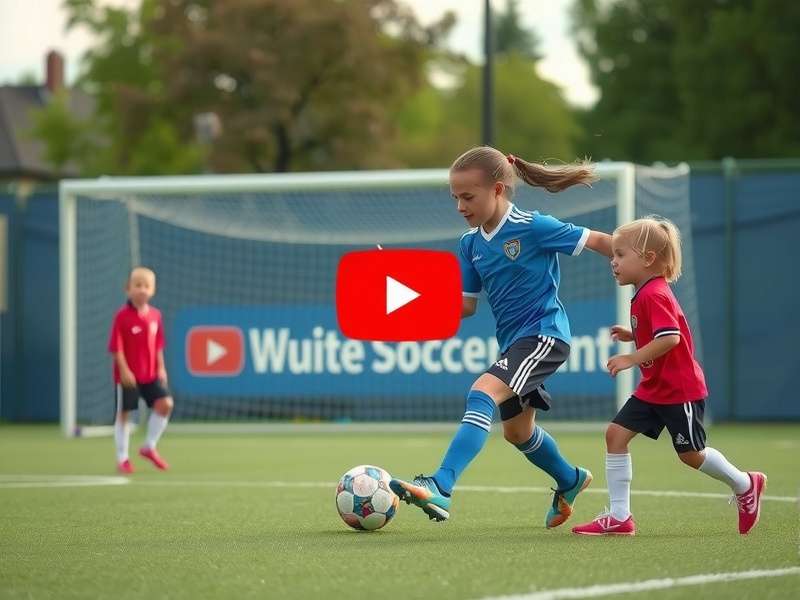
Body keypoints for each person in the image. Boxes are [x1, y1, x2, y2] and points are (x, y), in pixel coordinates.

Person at [390, 146, 613, 528]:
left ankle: (441, 485)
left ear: (497, 189)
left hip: (545, 335)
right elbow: (465, 305)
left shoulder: (533, 226)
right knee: (518, 433)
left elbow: (599, 242)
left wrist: (643, 266)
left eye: (468, 197)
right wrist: (417, 304)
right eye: (455, 197)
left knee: (482, 392)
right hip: (514, 344)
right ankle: (570, 479)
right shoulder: (470, 244)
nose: (460, 206)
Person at [571, 216, 766, 536]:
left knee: (691, 455)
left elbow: (670, 338)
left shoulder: (655, 293)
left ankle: (745, 484)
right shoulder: (645, 291)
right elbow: (660, 333)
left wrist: (631, 358)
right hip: (654, 389)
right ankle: (620, 516)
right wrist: (633, 334)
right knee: (615, 435)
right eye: (613, 255)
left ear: (648, 258)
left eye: (620, 255)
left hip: (679, 390)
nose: (613, 261)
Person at [108, 267, 174, 474]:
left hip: (151, 374)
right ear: (128, 288)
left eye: (147, 286)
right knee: (124, 414)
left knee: (165, 404)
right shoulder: (121, 316)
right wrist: (124, 370)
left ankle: (149, 447)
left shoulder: (155, 315)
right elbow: (116, 347)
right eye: (138, 285)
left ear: (153, 290)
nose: (142, 289)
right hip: (129, 376)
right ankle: (123, 458)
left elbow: (158, 345)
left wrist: (161, 367)